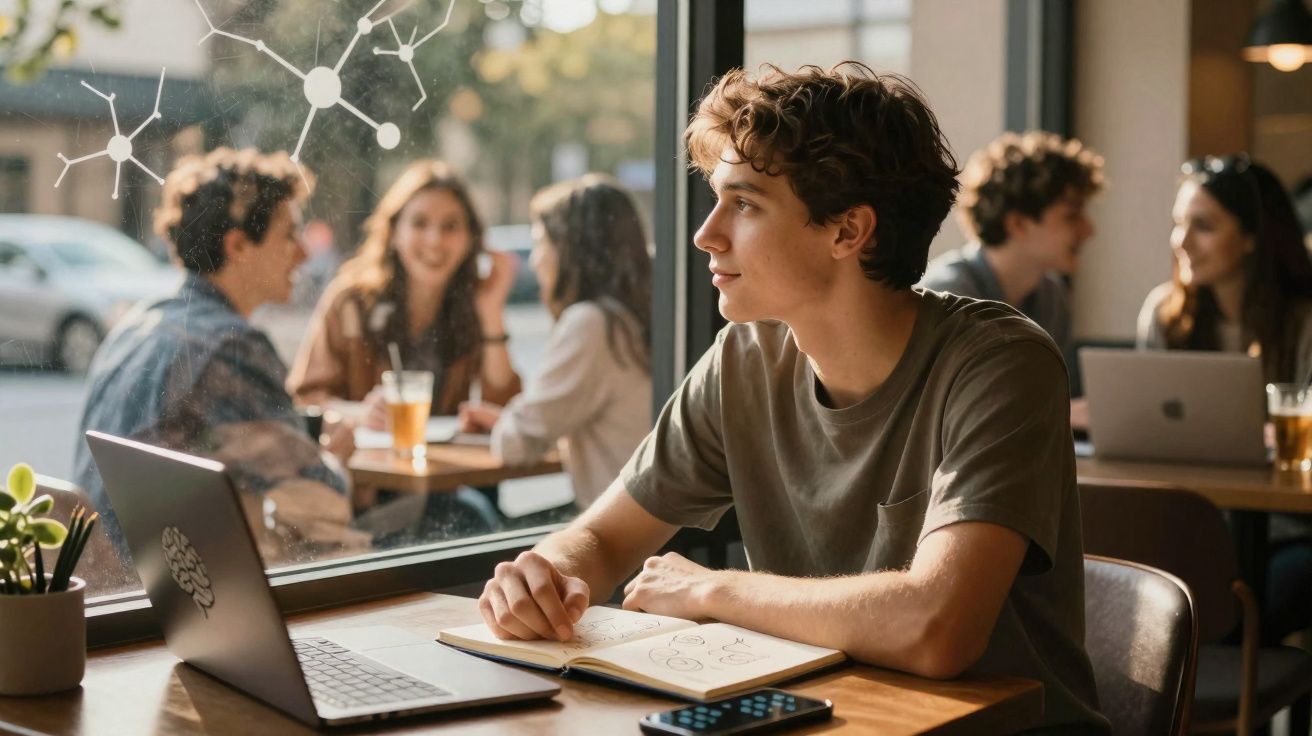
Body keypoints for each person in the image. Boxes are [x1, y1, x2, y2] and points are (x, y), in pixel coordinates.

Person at [476, 63, 1108, 733]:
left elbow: (936, 627)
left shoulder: (1001, 364)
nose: (705, 234)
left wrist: (710, 590)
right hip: (825, 719)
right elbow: (604, 538)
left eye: (744, 203)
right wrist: (544, 574)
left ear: (846, 231)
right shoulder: (745, 359)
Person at [73, 147, 366, 564]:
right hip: (178, 592)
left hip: (111, 588)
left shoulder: (136, 325)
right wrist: (334, 460)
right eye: (288, 234)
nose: (303, 252)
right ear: (238, 245)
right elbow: (322, 503)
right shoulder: (230, 346)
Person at [1138, 154, 1312, 644]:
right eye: (1179, 225)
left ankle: (1232, 714)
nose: (1182, 243)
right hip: (1193, 528)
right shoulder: (1164, 316)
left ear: (1253, 237)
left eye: (1204, 226)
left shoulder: (1303, 323)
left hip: (1291, 532)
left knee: (1253, 604)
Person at [459, 175, 653, 510]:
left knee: (472, 520)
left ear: (569, 250)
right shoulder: (640, 317)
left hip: (620, 531)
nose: (534, 262)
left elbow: (516, 444)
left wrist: (511, 424)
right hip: (658, 526)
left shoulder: (593, 324)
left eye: (540, 243)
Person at [288, 159, 521, 423]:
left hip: (445, 463)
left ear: (470, 239)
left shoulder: (471, 305)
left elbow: (505, 408)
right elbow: (305, 400)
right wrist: (360, 415)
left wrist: (491, 313)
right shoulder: (350, 301)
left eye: (450, 226)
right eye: (420, 223)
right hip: (366, 463)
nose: (435, 240)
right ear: (394, 232)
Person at [920, 131, 1103, 425]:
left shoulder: (1052, 300)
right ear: (1018, 223)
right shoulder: (947, 296)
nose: (1089, 230)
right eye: (1071, 215)